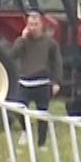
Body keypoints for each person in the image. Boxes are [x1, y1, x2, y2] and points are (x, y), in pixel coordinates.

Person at [10, 12, 62, 146]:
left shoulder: (50, 43)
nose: (33, 27)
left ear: (41, 25)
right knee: (18, 109)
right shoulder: (23, 41)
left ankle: (41, 143)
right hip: (25, 82)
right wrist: (22, 38)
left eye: (35, 24)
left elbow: (57, 63)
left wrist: (56, 82)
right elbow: (13, 54)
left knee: (42, 114)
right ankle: (25, 130)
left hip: (42, 83)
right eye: (30, 24)